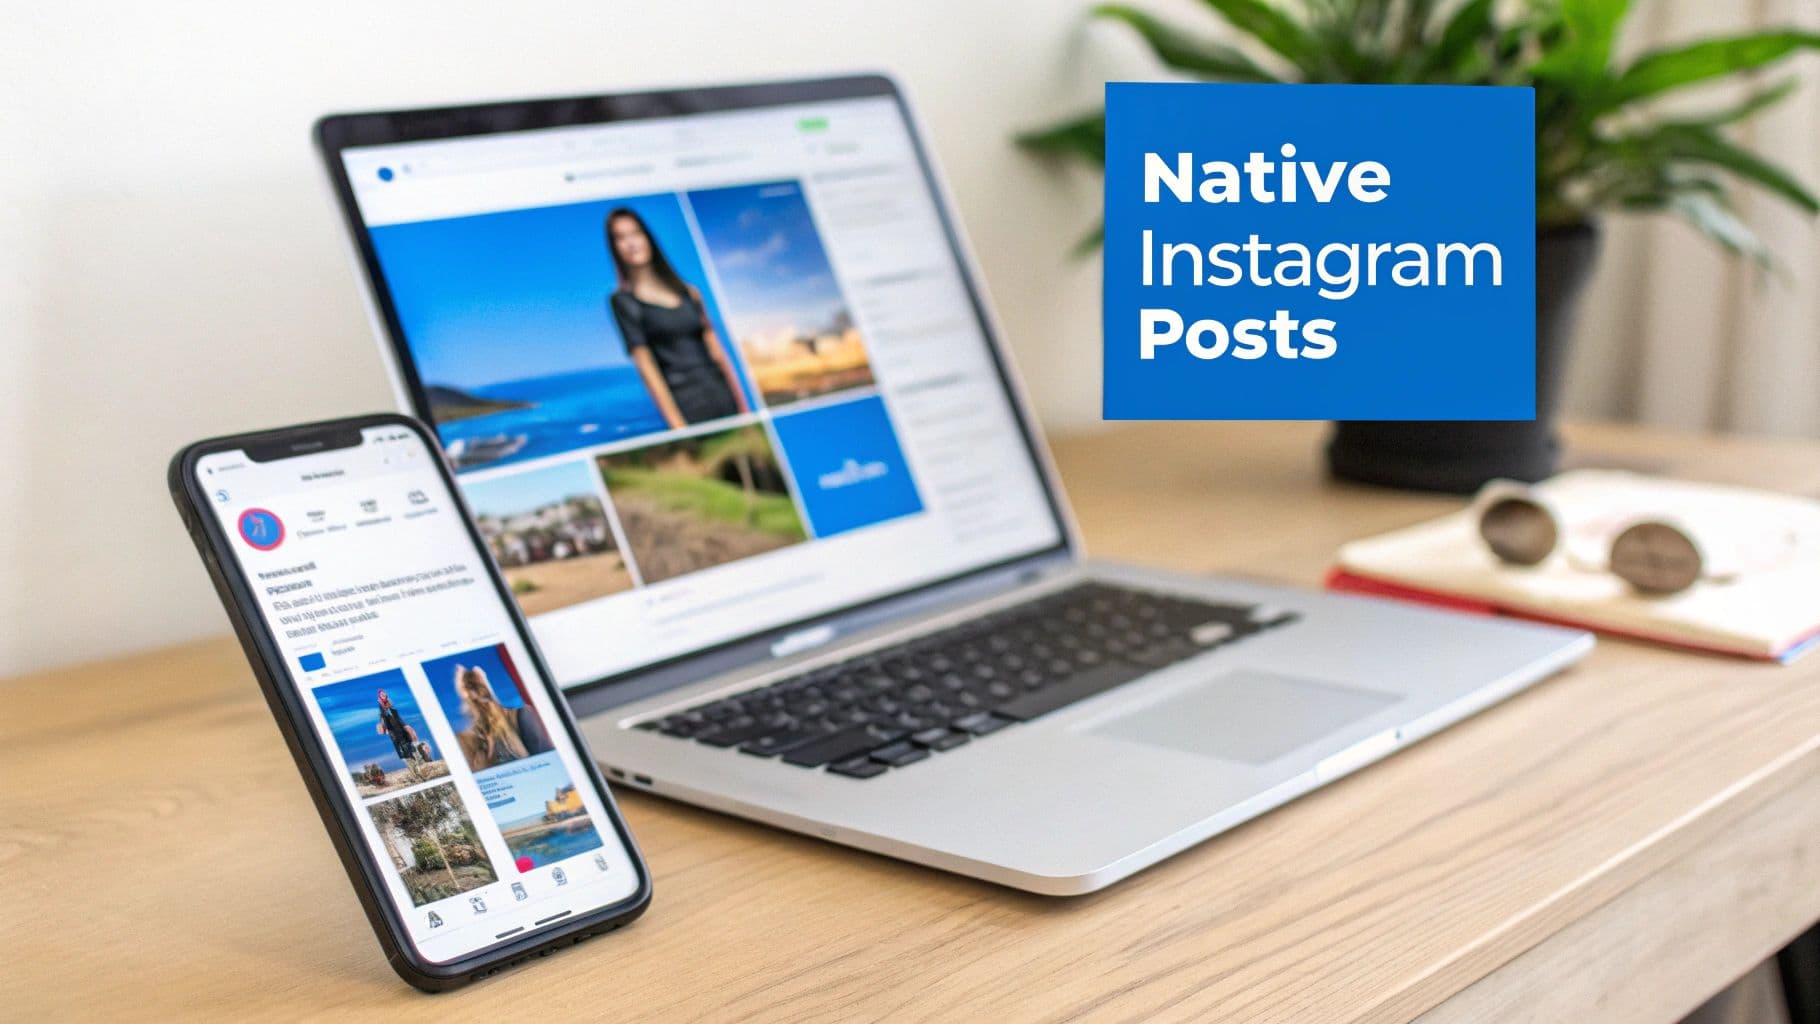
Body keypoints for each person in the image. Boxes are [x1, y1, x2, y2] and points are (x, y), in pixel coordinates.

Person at [604, 207, 750, 429]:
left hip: (721, 394)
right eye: (620, 238)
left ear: (647, 237)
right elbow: (647, 368)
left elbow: (717, 352)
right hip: (686, 405)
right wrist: (677, 426)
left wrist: (744, 407)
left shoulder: (689, 292)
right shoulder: (623, 302)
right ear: (614, 248)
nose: (631, 243)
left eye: (635, 233)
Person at [453, 664, 534, 770]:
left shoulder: (518, 715)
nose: (475, 692)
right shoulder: (468, 735)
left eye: (475, 686)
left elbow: (522, 754)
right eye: (471, 686)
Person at [373, 689, 420, 764]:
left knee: (407, 738)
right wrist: (386, 728)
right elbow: (383, 718)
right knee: (400, 742)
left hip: (399, 725)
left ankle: (413, 754)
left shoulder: (390, 703)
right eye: (382, 694)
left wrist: (404, 725)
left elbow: (397, 716)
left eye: (384, 693)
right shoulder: (381, 706)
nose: (383, 694)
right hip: (391, 728)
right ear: (380, 696)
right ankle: (409, 757)